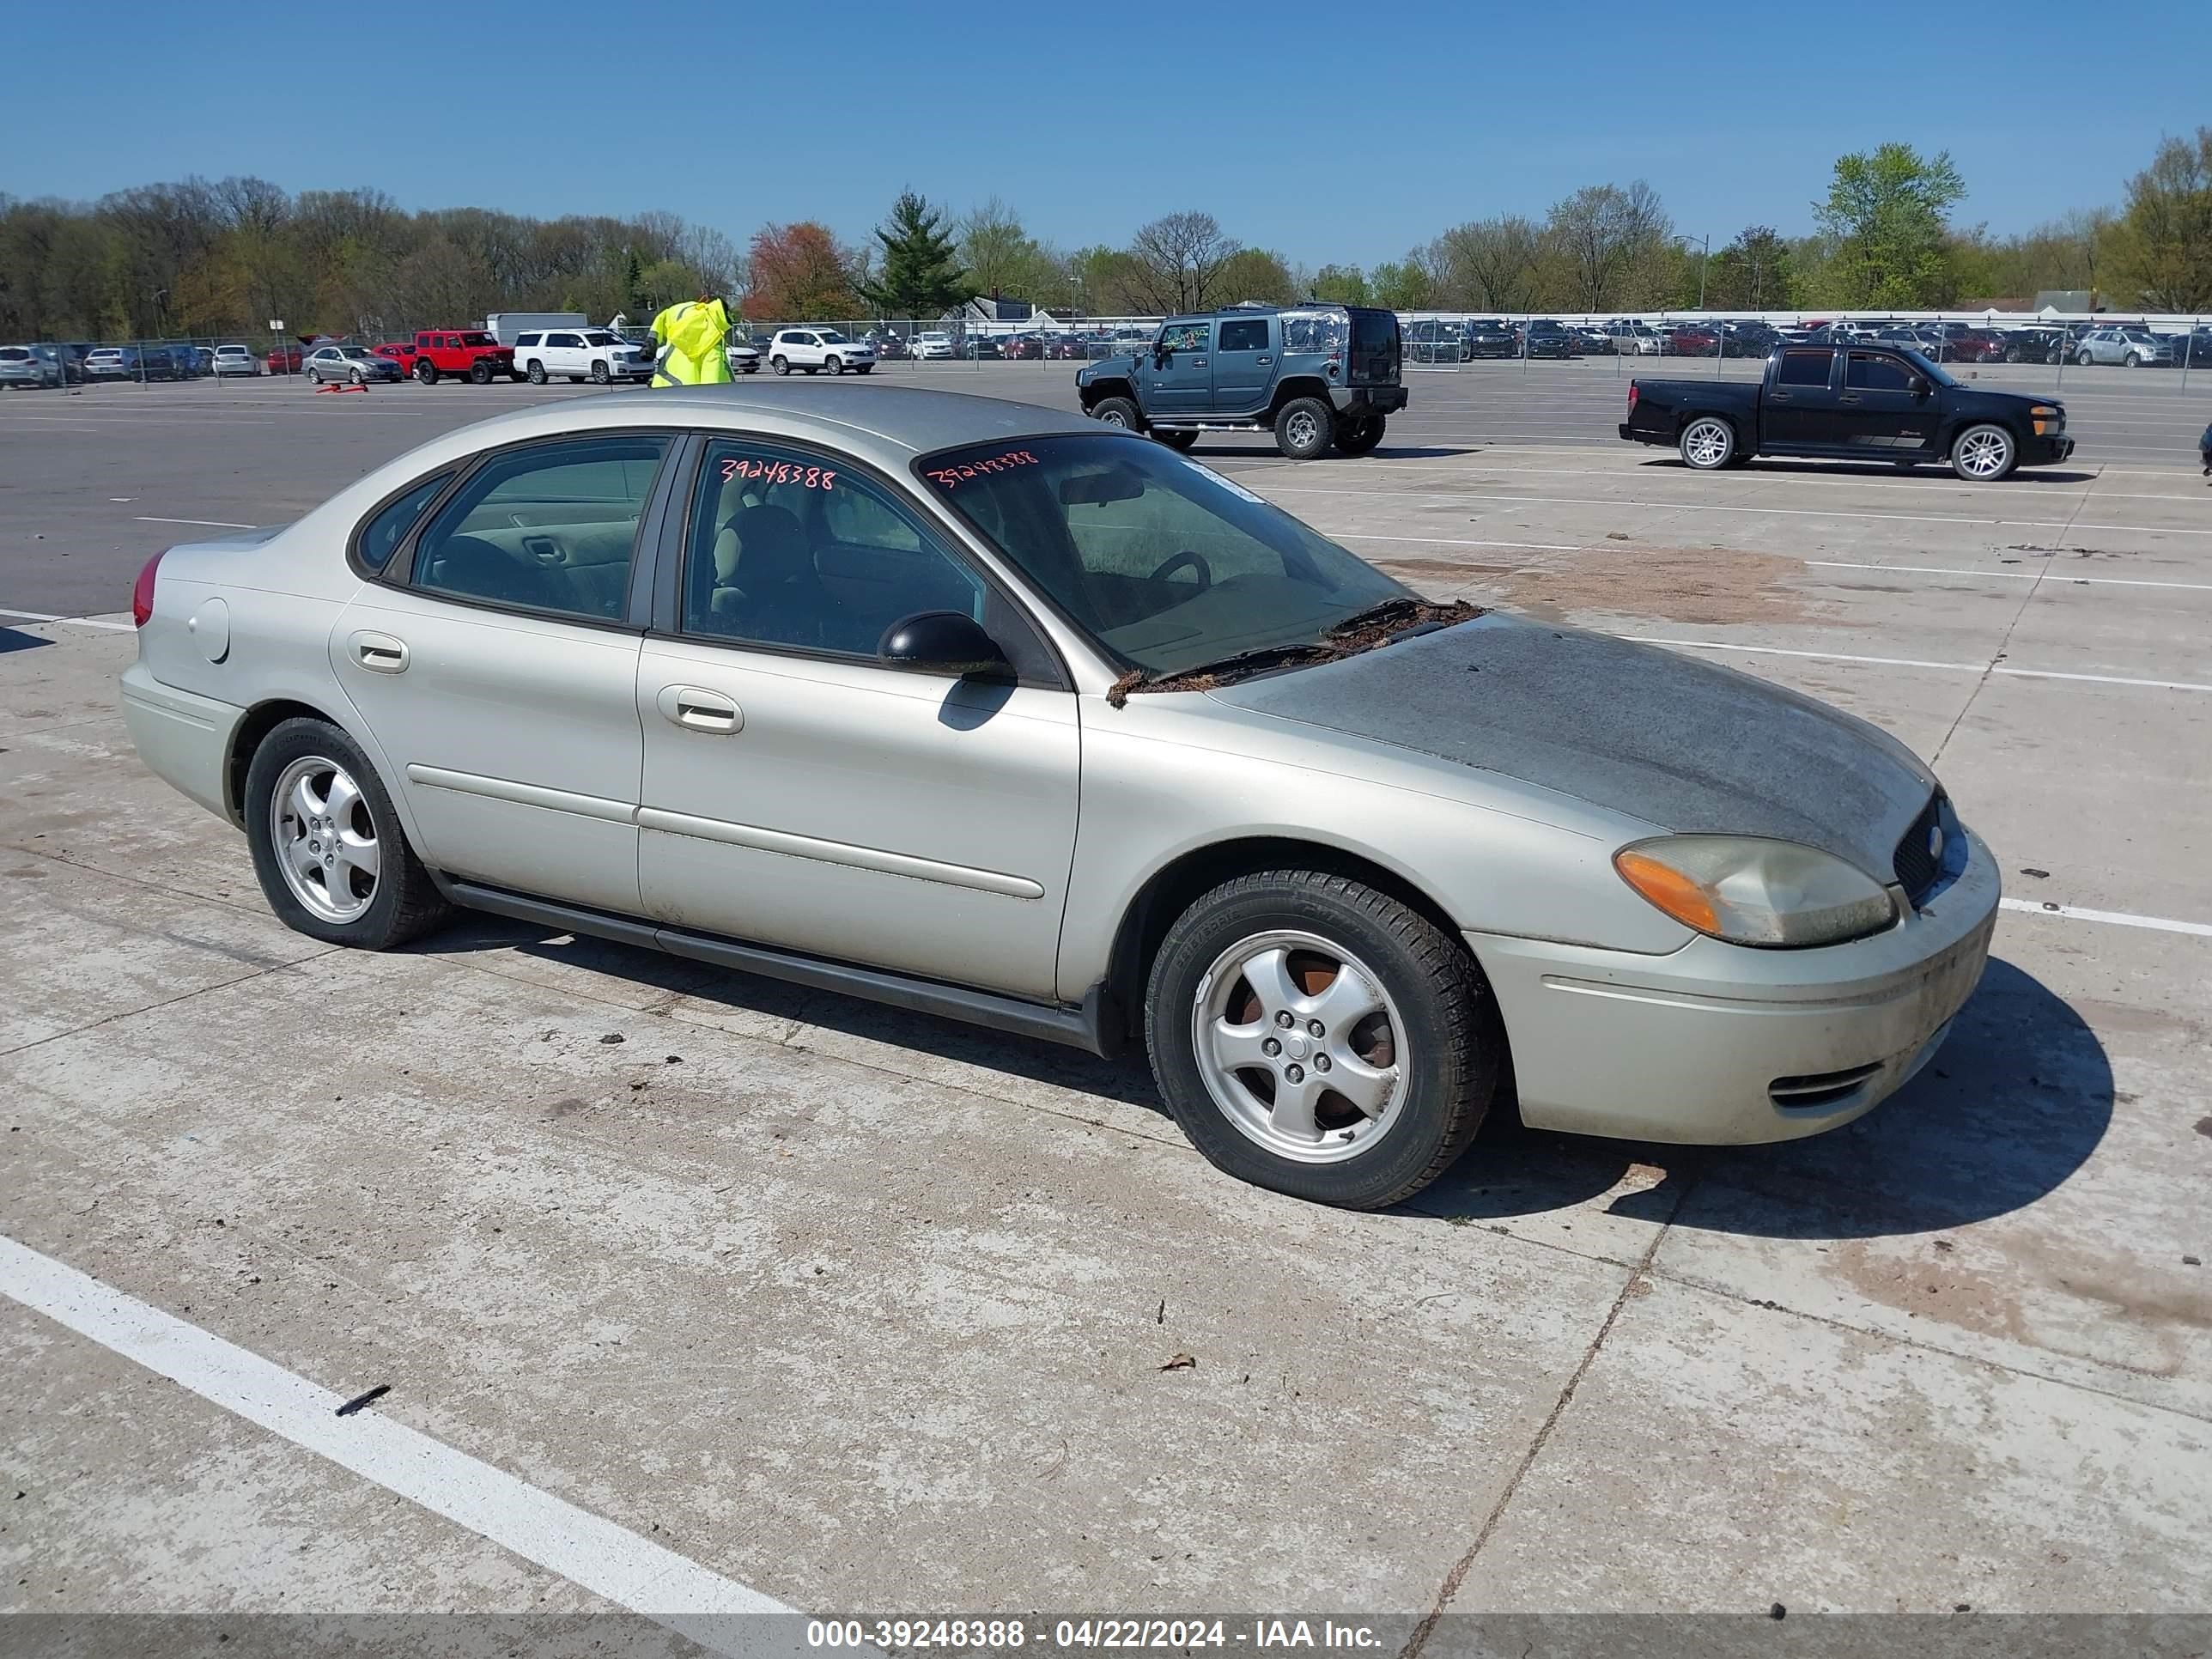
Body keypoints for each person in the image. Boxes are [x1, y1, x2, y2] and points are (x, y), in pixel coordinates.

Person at [650, 291, 735, 387]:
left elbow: (663, 317)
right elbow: (712, 371)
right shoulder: (714, 336)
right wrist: (711, 396)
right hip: (692, 395)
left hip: (665, 384)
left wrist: (652, 339)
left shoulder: (682, 310)